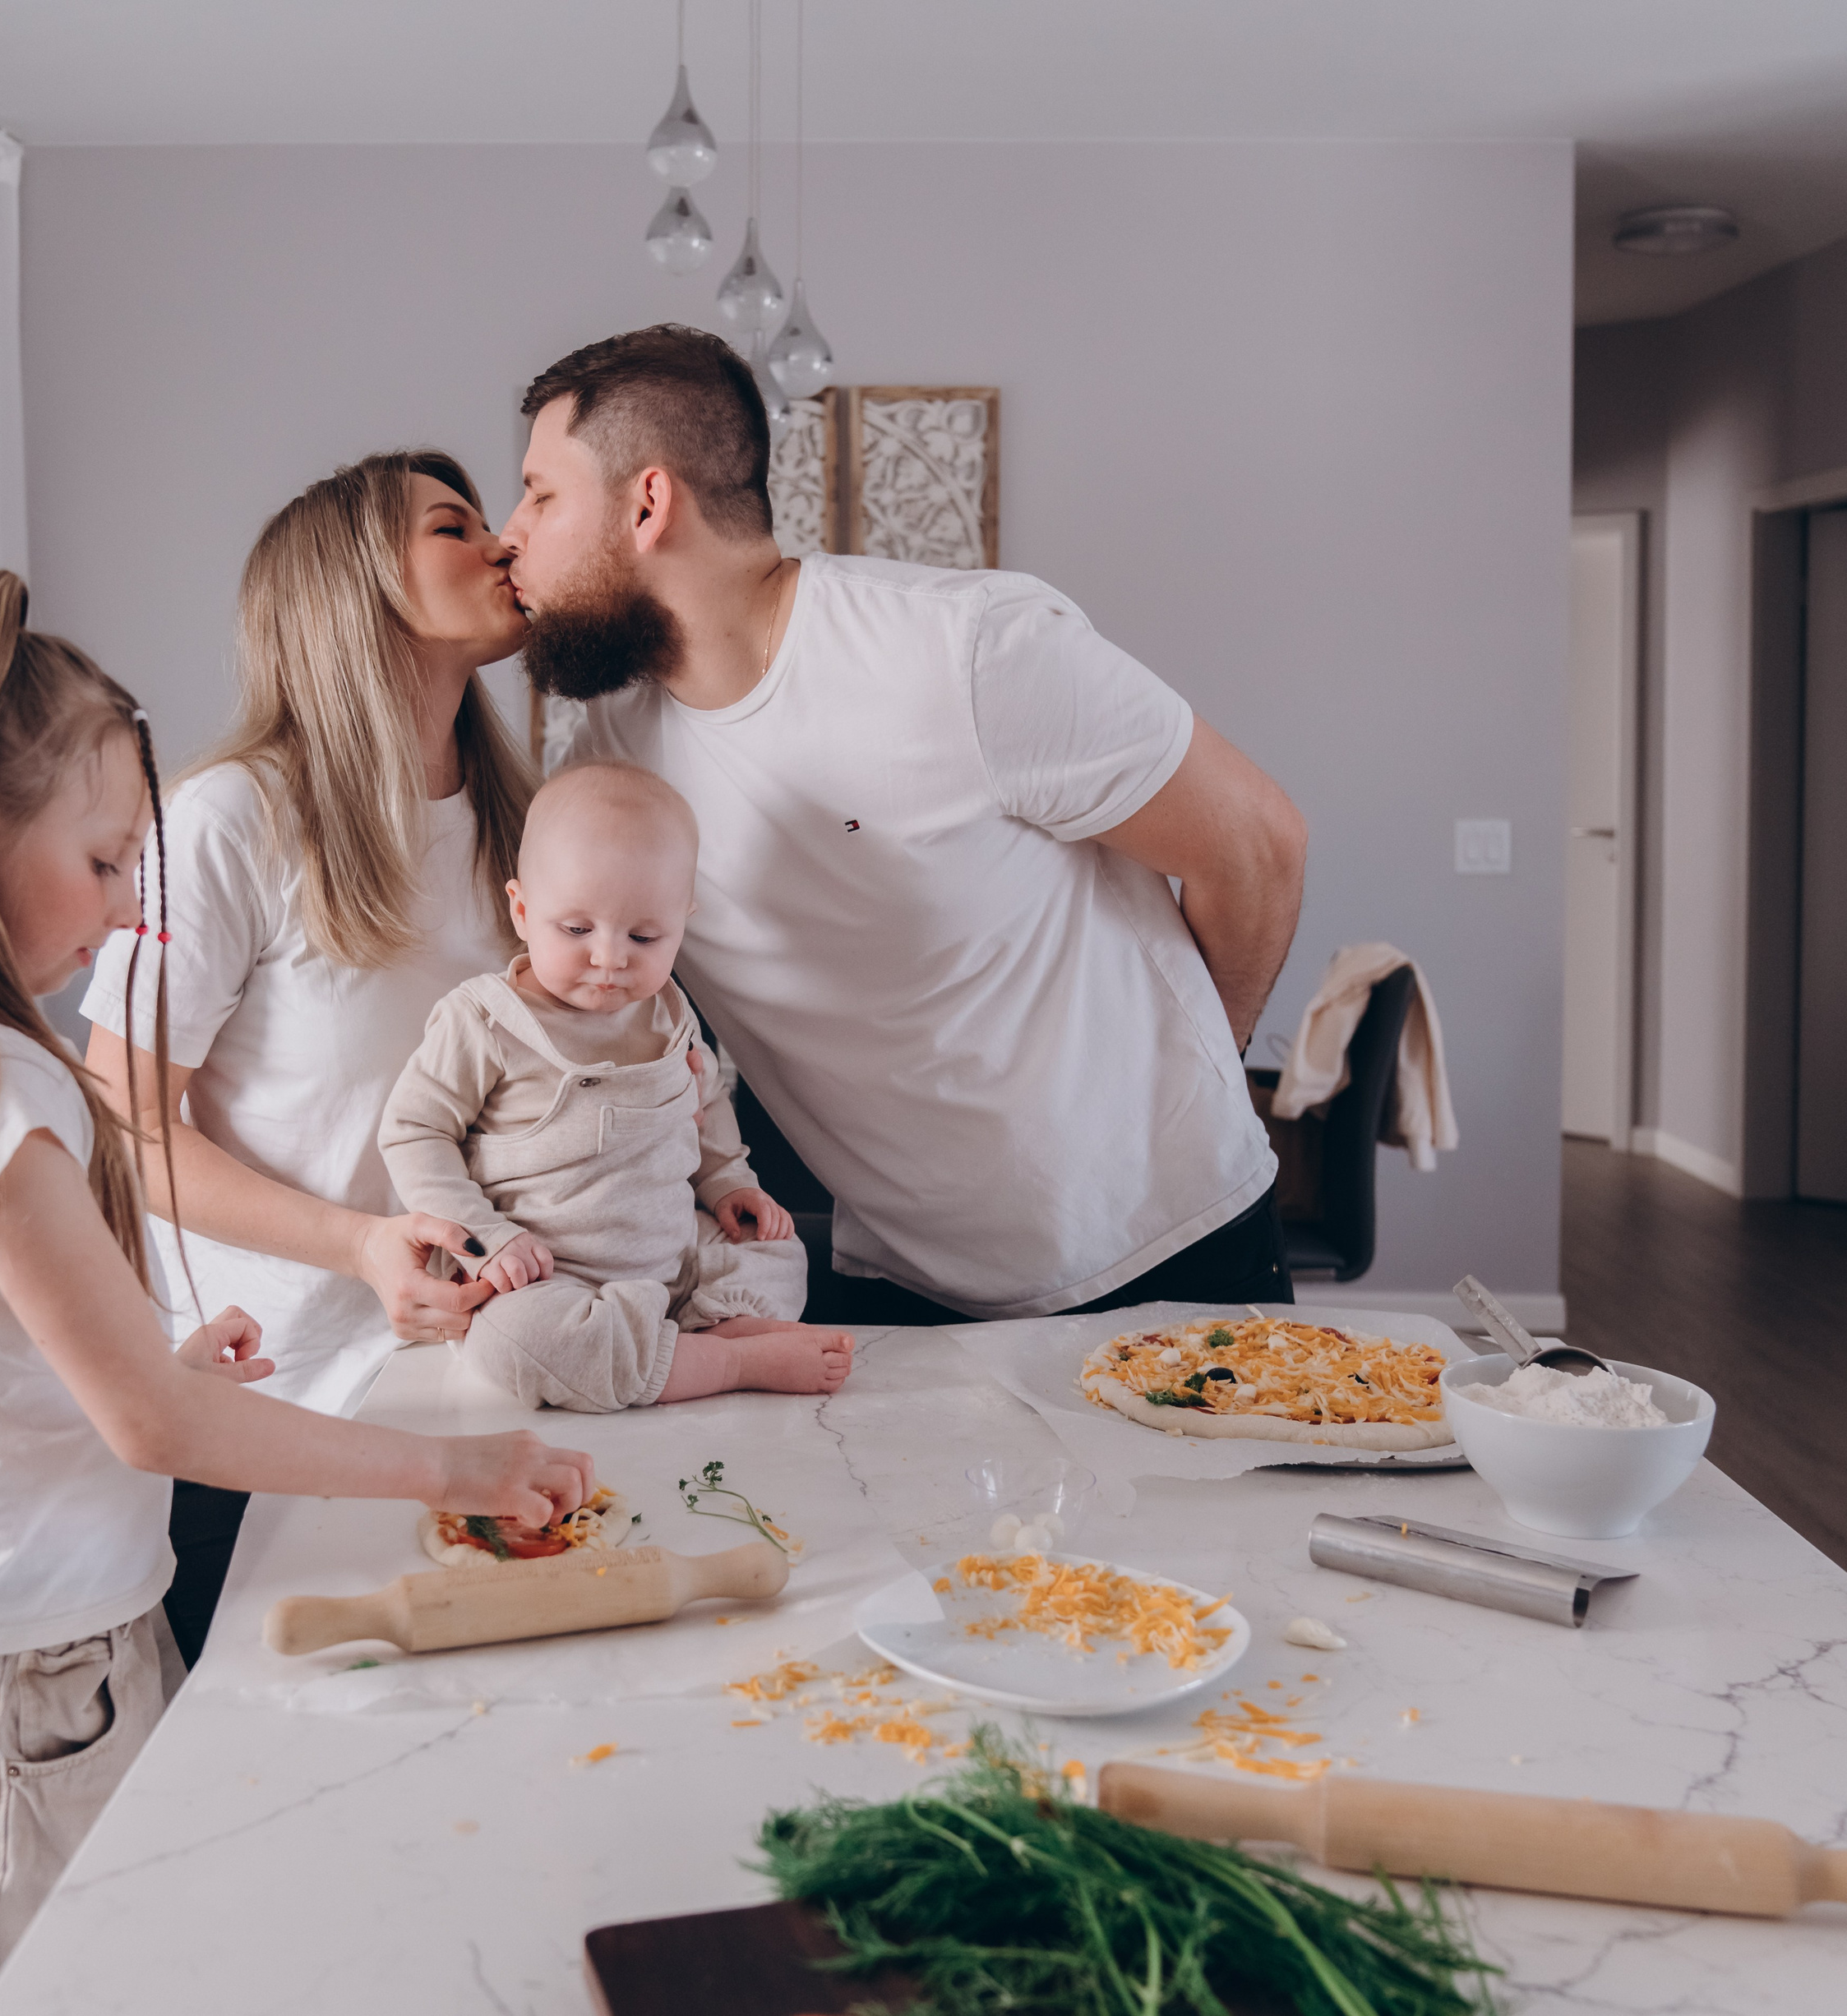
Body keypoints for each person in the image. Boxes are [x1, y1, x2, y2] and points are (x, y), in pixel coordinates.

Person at [0, 570, 591, 2016]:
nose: (128, 902)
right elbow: (148, 1427)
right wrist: (457, 1466)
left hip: (27, 1637)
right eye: (100, 861)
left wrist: (166, 1344)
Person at [501, 325, 1308, 1326]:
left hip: (1175, 1239)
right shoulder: (614, 755)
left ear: (647, 503)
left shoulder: (966, 650)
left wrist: (1189, 1086)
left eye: (540, 494)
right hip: (913, 1286)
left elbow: (1258, 845)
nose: (511, 531)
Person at [81, 450, 527, 1658]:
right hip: (278, 1408)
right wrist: (359, 1244)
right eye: (455, 526)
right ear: (355, 587)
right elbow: (125, 1123)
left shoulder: (515, 819)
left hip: (477, 1382)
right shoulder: (228, 819)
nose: (506, 545)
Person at [379, 759, 851, 1410]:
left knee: (775, 1246)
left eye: (645, 934)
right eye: (576, 929)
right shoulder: (486, 1021)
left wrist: (728, 1183)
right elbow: (414, 1131)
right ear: (521, 909)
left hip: (672, 1256)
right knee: (514, 1343)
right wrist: (487, 1241)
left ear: (682, 922)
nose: (610, 957)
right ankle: (728, 1359)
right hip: (545, 1274)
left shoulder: (670, 1011)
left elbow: (704, 1101)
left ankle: (712, 1322)